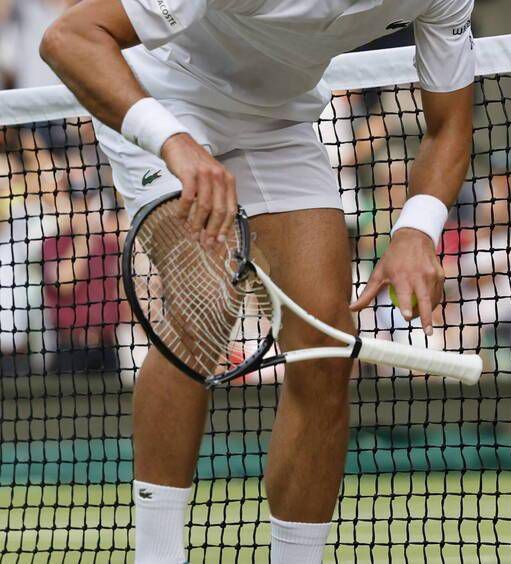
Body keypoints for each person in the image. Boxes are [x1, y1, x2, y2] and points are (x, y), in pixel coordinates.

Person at [40, 1, 475, 563]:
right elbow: (68, 36)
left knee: (327, 348)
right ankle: (158, 556)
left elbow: (449, 124)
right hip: (163, 98)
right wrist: (176, 143)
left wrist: (418, 229)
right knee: (207, 299)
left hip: (280, 120)